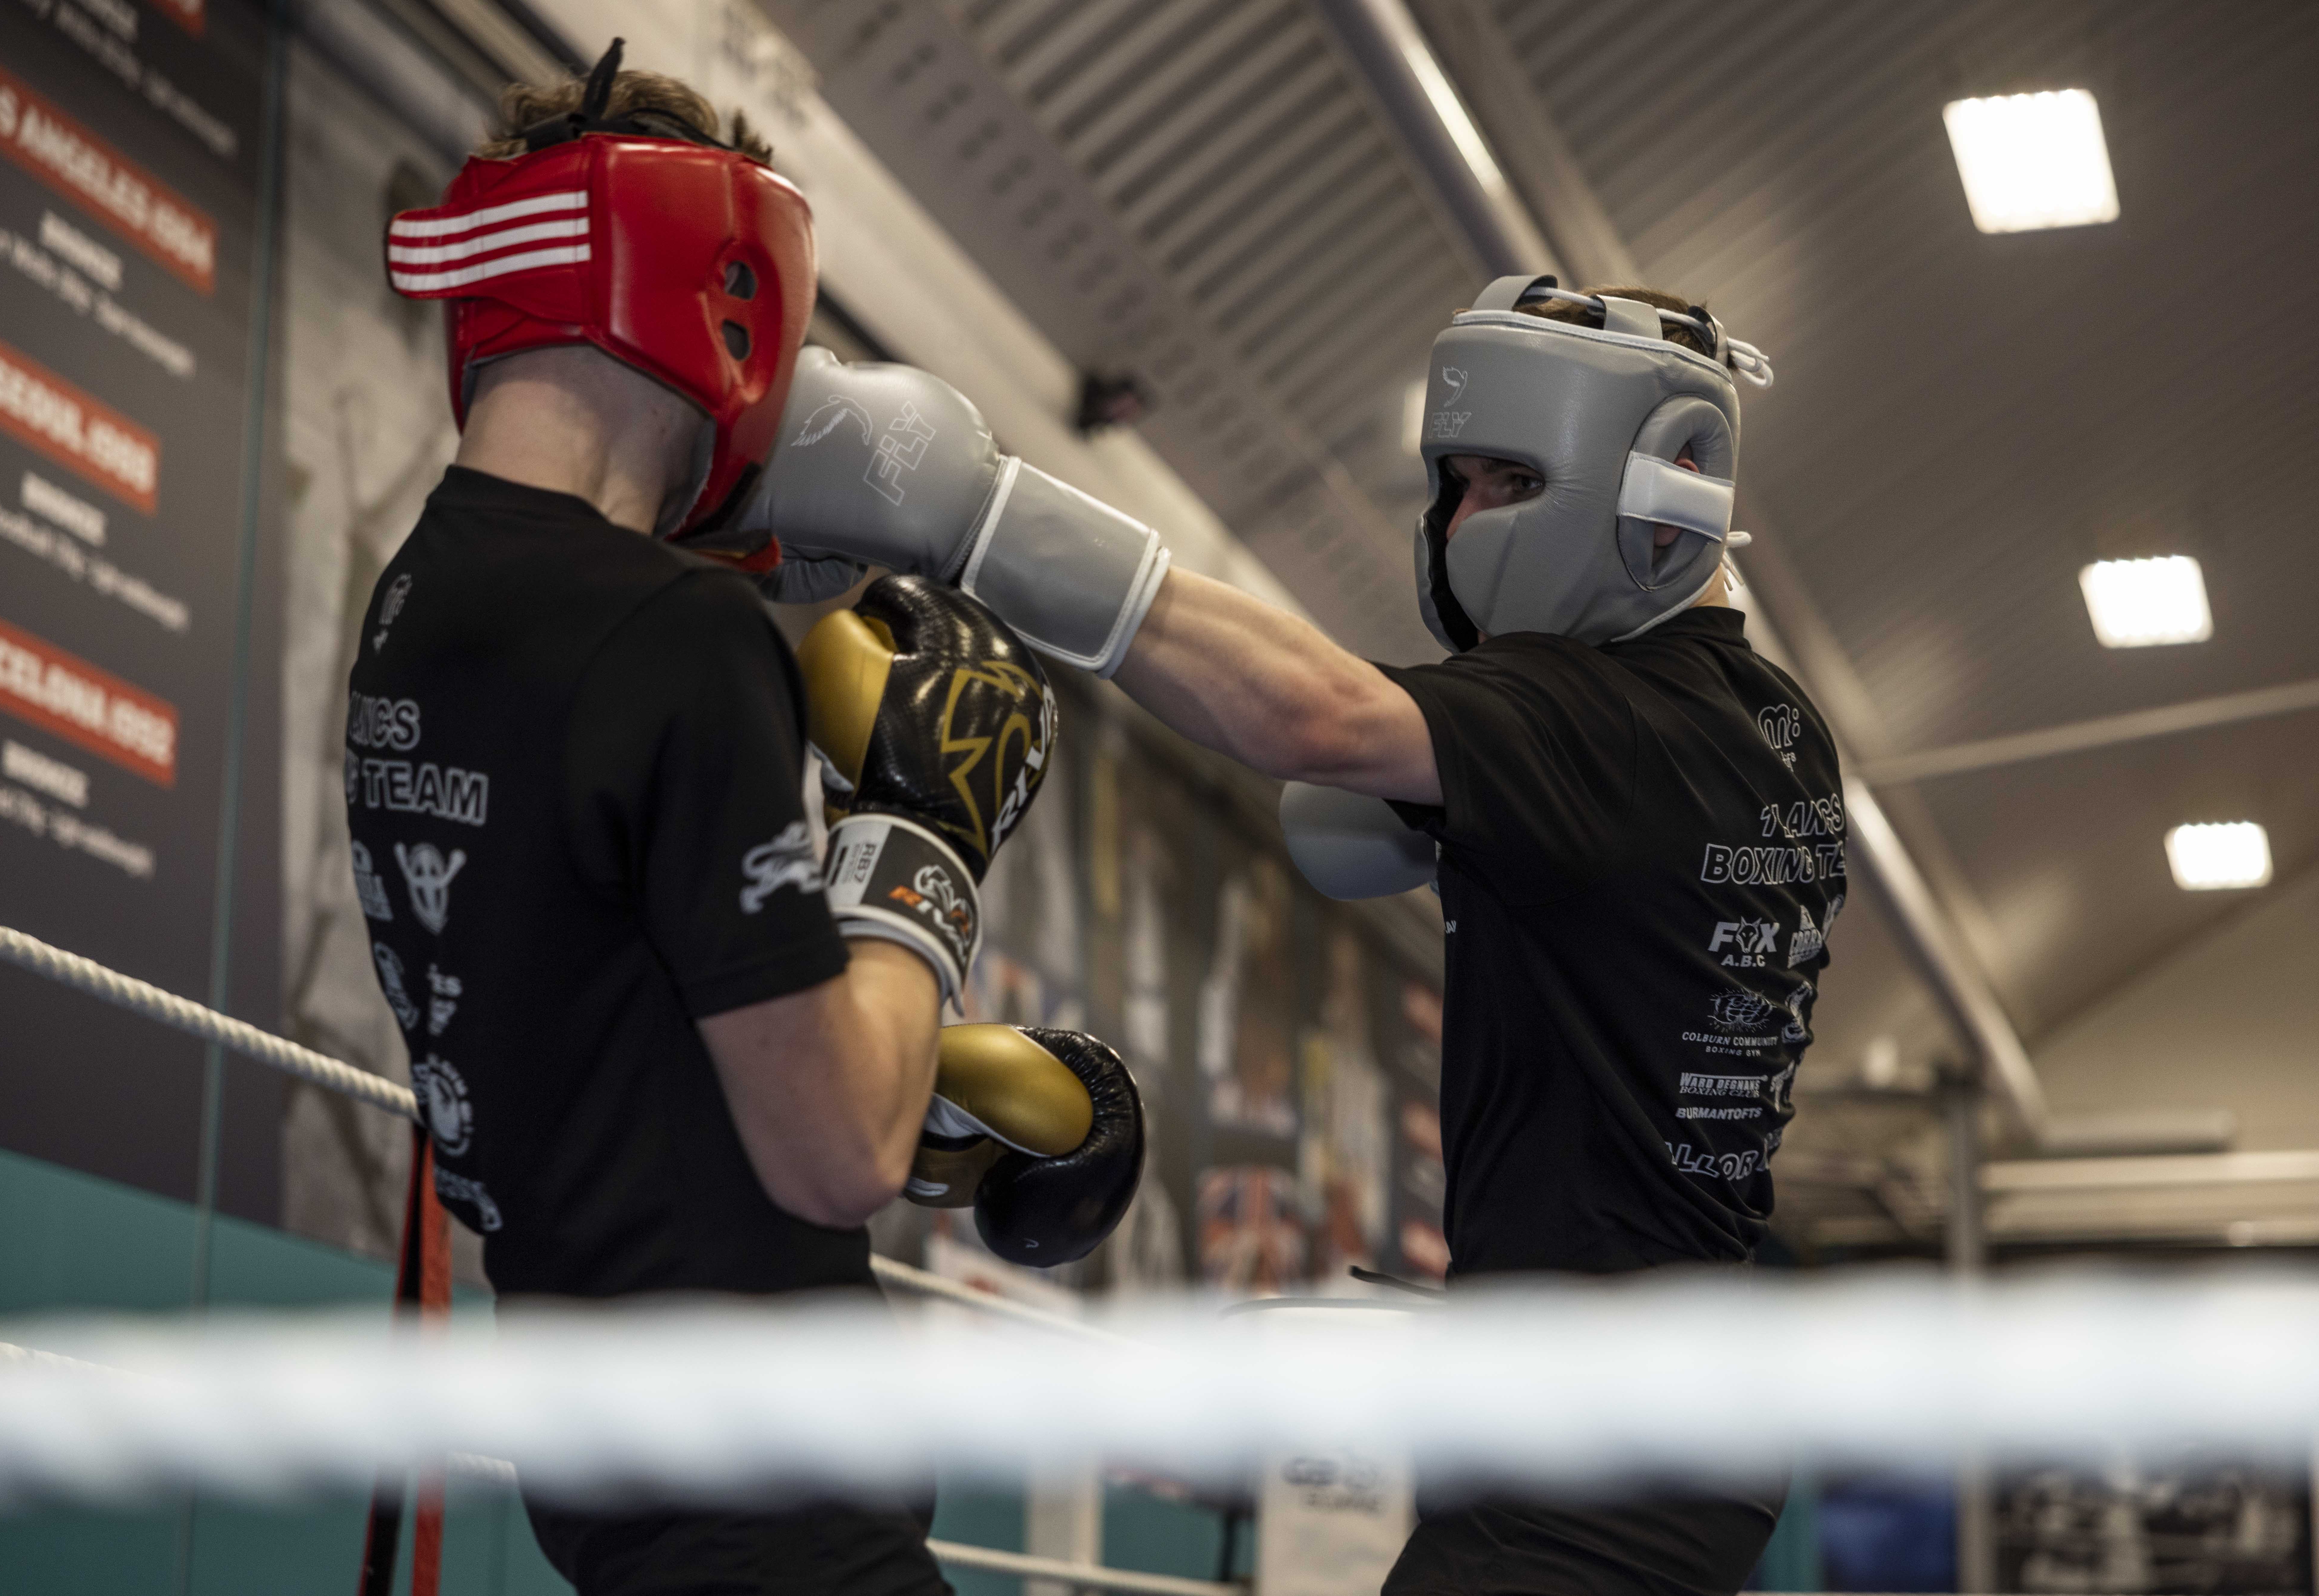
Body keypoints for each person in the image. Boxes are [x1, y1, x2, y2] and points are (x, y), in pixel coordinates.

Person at [741, 274, 1838, 1594]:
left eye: (1507, 482)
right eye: (1455, 486)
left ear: (1668, 486)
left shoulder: (1607, 719)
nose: (1461, 524)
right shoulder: (1770, 732)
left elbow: (1308, 717)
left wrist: (967, 508)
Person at [356, 42, 1139, 1596]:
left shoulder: (414, 615)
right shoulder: (670, 636)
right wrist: (925, 829)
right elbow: (835, 1154)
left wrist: (933, 1080)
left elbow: (612, 1021)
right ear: (727, 301)